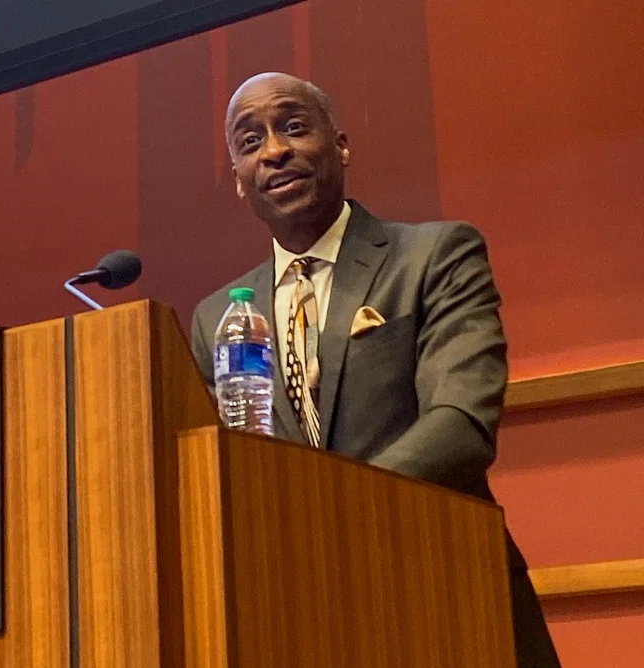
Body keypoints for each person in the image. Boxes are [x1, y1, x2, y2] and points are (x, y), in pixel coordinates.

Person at [190, 72, 561, 667]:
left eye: (292, 127)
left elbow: (461, 423)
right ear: (238, 181)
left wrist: (331, 517)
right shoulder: (219, 318)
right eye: (250, 141)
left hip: (445, 587)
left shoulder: (434, 256)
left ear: (339, 146)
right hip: (300, 615)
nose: (275, 151)